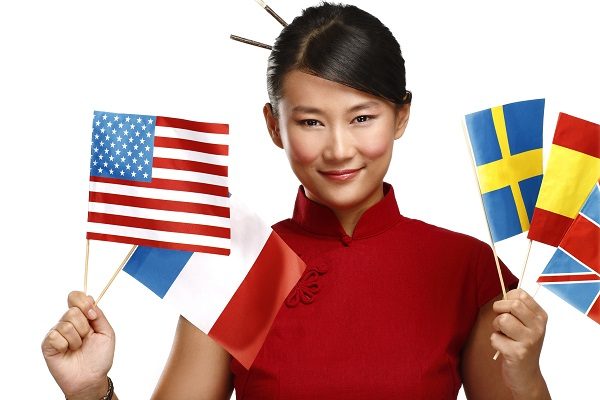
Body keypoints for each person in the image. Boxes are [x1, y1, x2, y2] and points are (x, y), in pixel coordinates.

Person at [42, 2, 551, 399]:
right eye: (310, 121)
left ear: (401, 116)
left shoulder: (470, 267)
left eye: (362, 117)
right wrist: (91, 393)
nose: (338, 148)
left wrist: (526, 376)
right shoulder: (236, 265)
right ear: (273, 125)